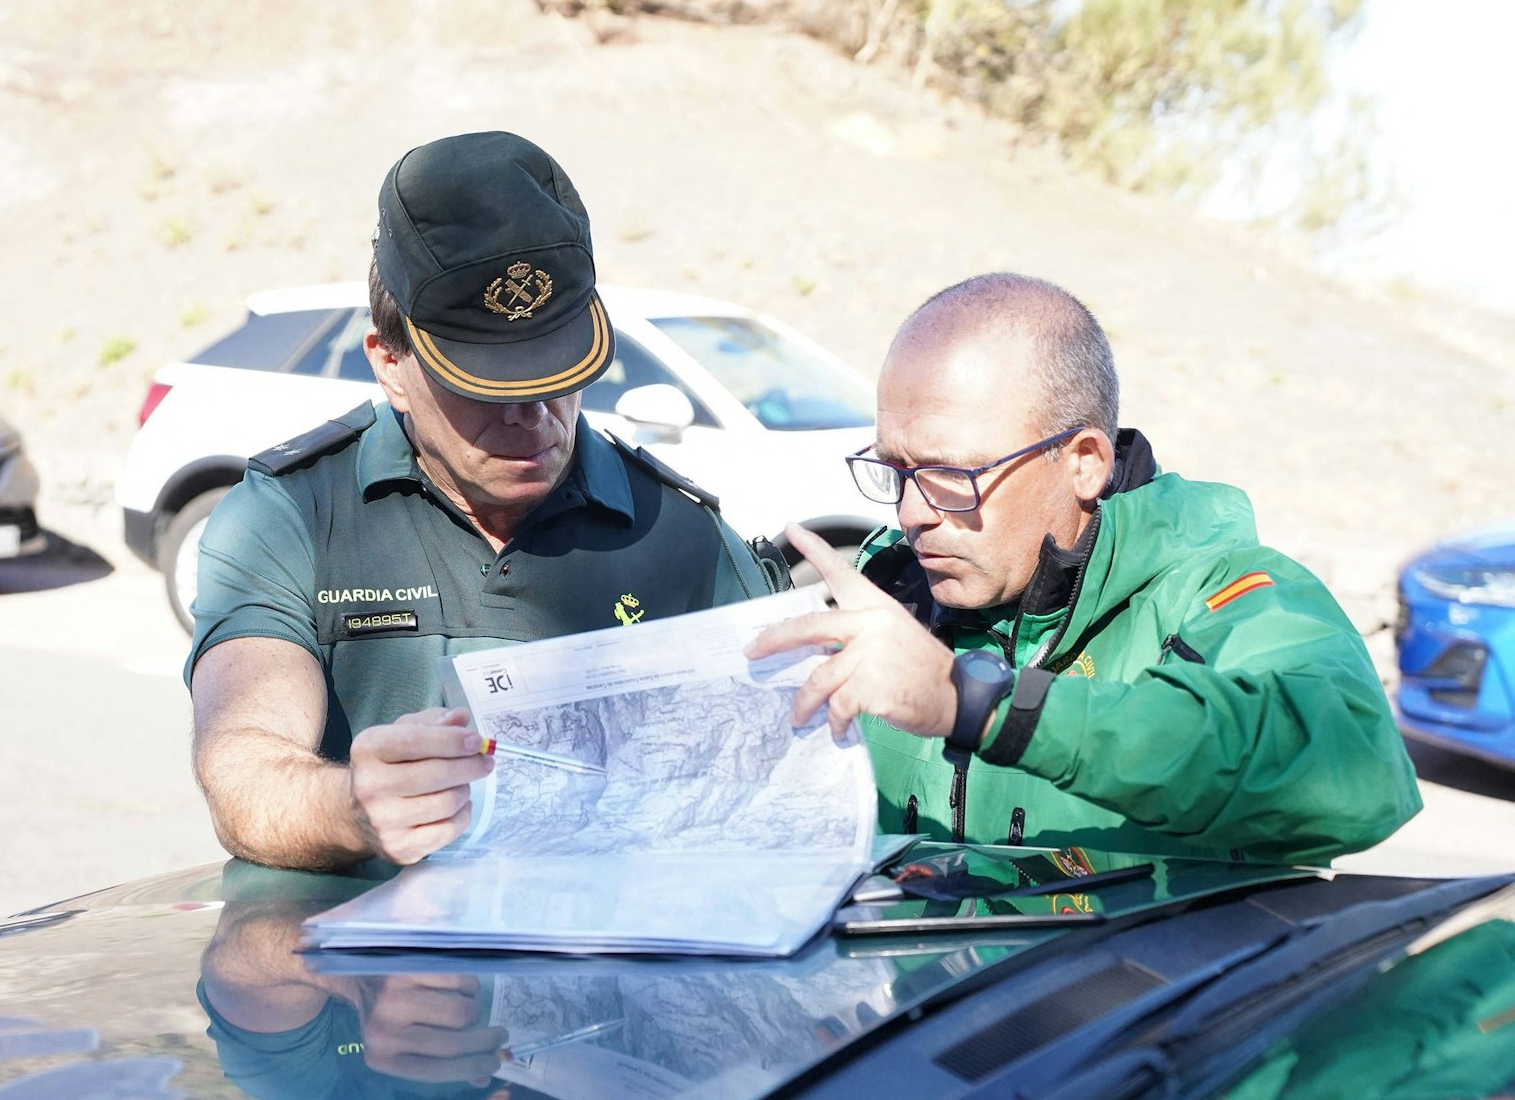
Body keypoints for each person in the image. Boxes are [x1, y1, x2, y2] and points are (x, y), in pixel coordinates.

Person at [186, 131, 781, 872]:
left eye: (556, 370)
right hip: (364, 975)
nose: (530, 413)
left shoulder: (683, 531)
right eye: (484, 383)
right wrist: (350, 809)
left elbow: (770, 781)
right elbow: (242, 770)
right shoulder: (289, 517)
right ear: (391, 364)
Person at [748, 272, 1421, 864]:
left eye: (951, 474)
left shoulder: (1218, 593)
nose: (911, 512)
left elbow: (1358, 773)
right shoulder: (884, 599)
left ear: (1083, 463)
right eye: (894, 470)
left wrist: (978, 705)